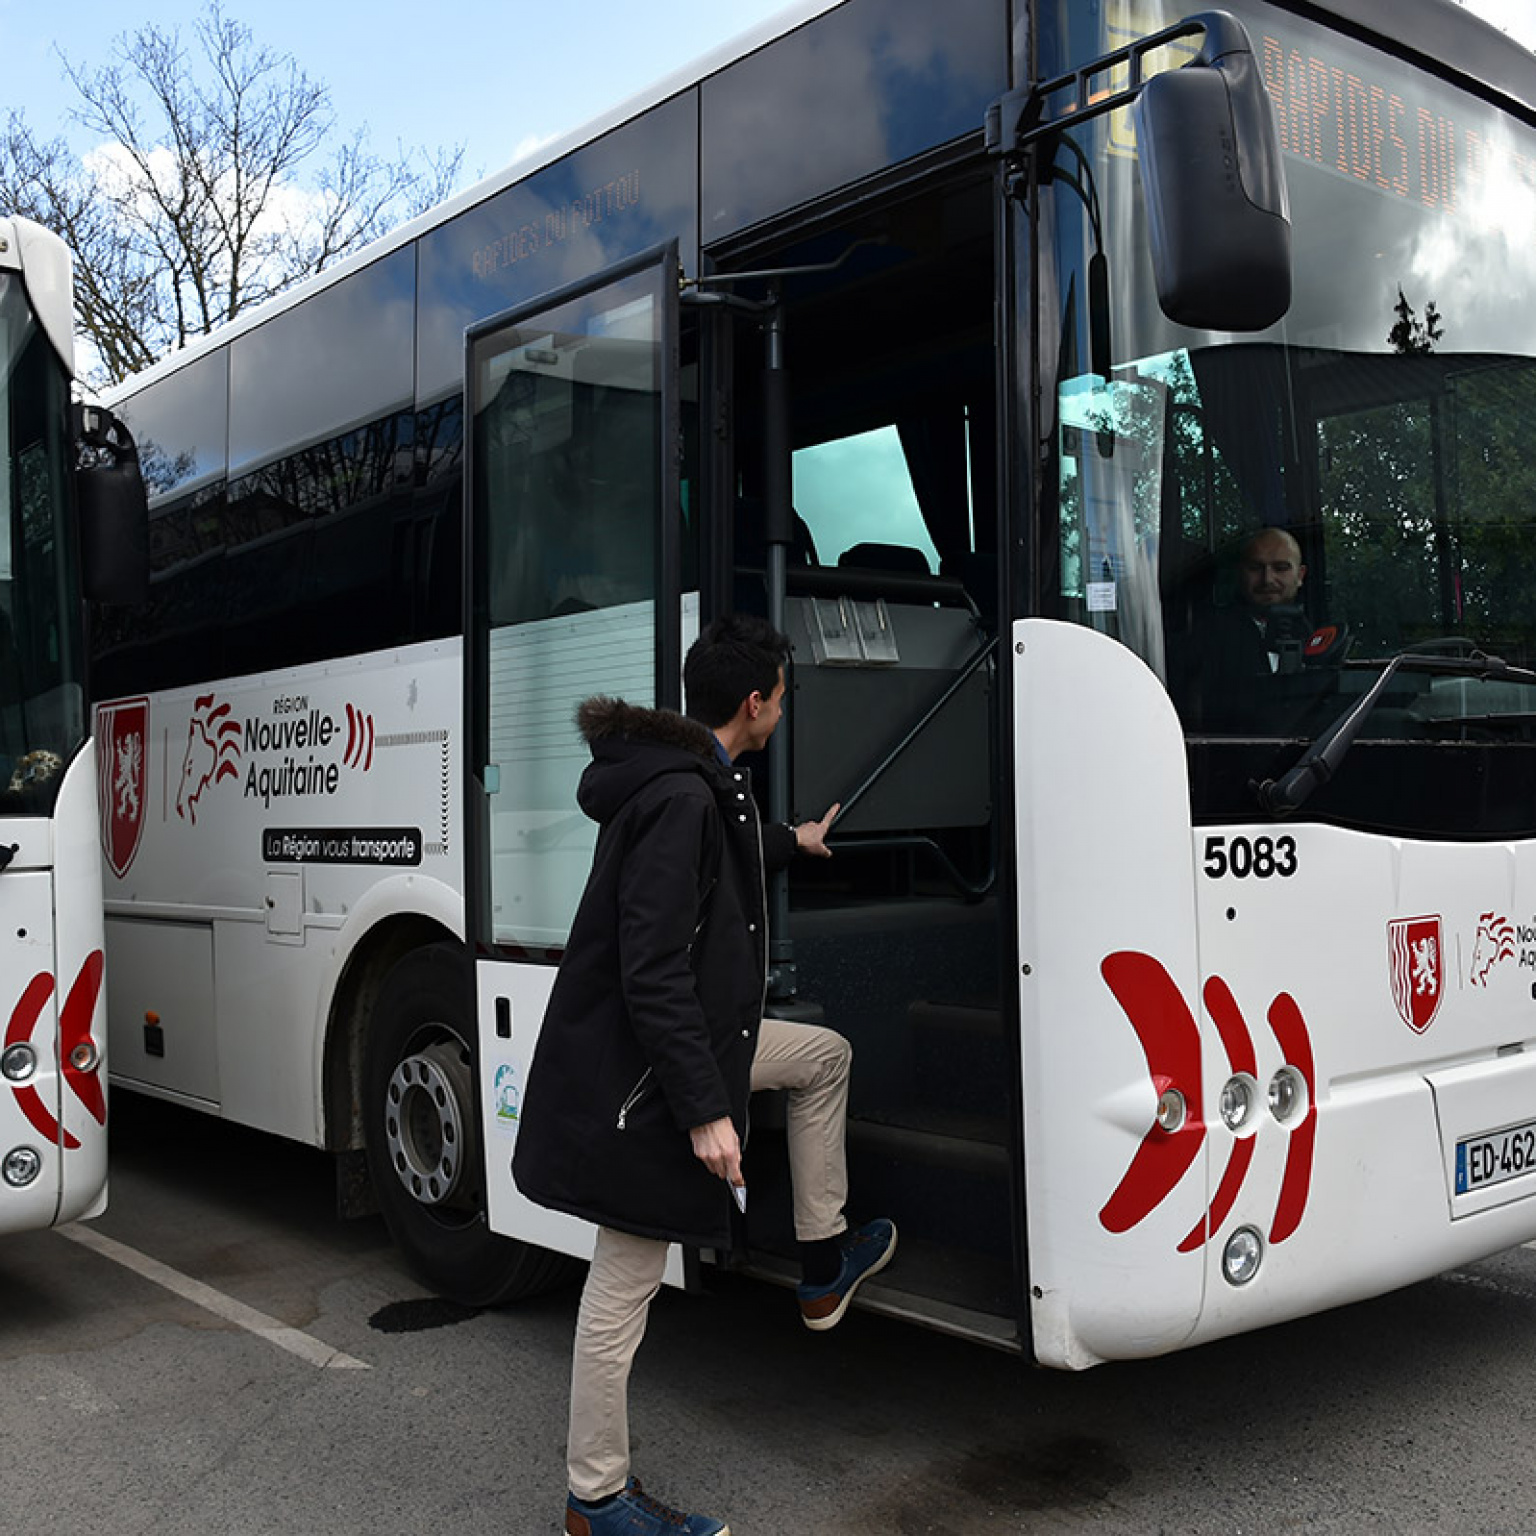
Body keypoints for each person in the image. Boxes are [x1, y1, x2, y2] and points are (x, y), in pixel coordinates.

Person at [513, 612, 898, 1536]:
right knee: (624, 1278)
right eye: (781, 693)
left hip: (699, 1046)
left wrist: (788, 842)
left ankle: (819, 1262)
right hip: (643, 1079)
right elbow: (651, 970)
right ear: (755, 702)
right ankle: (597, 1497)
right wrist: (704, 1113)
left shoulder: (696, 783)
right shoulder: (685, 797)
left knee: (822, 1057)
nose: (783, 707)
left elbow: (714, 858)